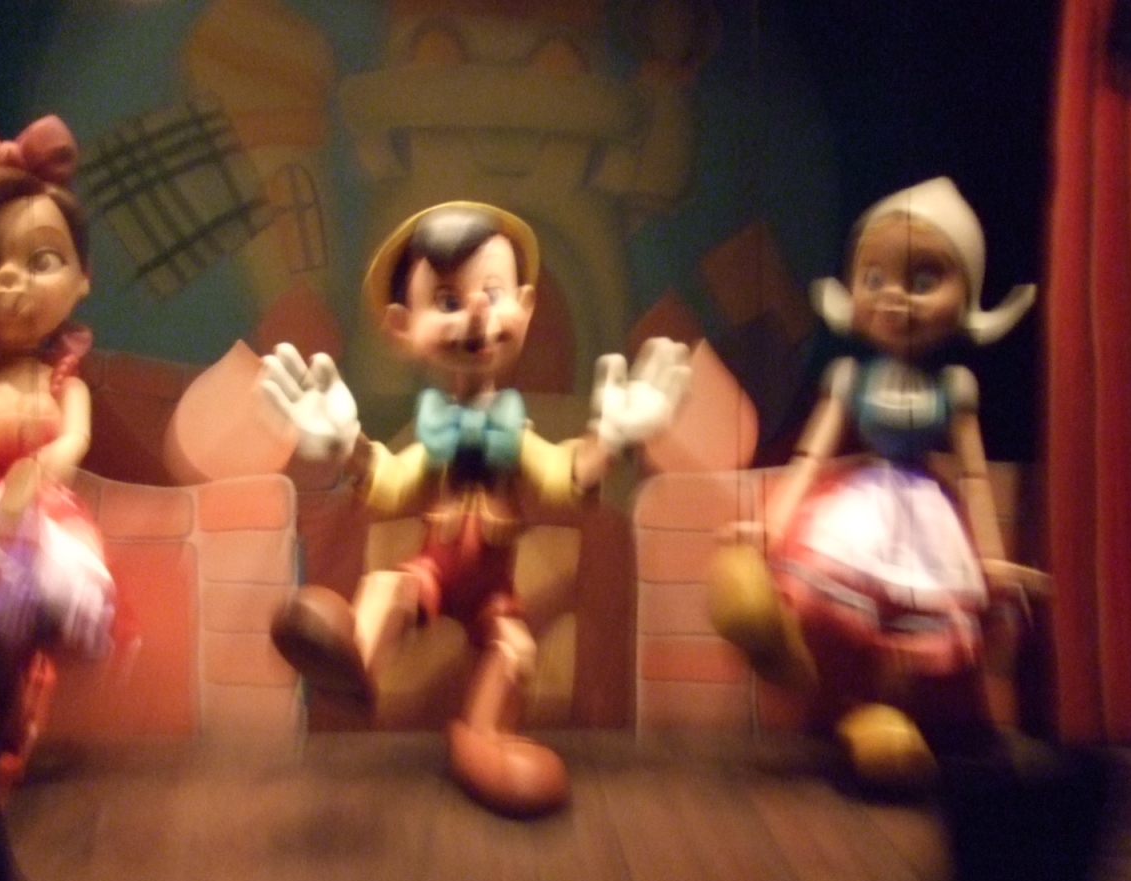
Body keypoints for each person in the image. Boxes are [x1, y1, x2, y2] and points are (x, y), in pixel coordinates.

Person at [263, 201, 689, 816]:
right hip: (433, 570)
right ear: (402, 326)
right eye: (446, 300)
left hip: (493, 590)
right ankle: (353, 661)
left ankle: (484, 736)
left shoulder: (514, 436)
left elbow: (563, 479)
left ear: (526, 305)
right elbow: (392, 484)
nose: (477, 314)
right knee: (388, 588)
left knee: (514, 651)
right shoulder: (434, 435)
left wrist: (611, 442)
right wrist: (348, 447)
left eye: (492, 293)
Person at [709, 177, 1045, 789]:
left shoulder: (954, 389)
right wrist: (771, 523)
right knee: (831, 605)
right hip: (862, 511)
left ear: (967, 296)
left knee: (916, 628)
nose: (895, 297)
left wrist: (992, 558)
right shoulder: (850, 379)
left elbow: (973, 474)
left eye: (924, 279)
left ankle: (898, 721)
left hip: (926, 517)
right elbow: (810, 455)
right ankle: (838, 698)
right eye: (875, 278)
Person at [0, 115, 118, 811]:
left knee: (27, 591)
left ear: (82, 278)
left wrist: (39, 473)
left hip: (42, 517)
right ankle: (13, 711)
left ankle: (22, 703)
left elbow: (72, 442)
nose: (9, 279)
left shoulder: (63, 381)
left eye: (42, 259)